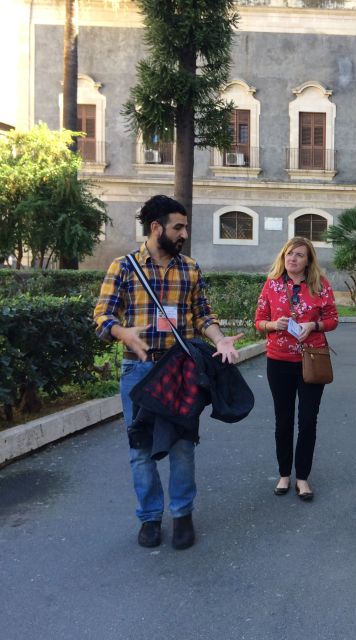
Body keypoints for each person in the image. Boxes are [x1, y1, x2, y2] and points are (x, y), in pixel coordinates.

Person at [94, 194, 242, 550]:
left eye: (186, 227)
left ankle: (182, 514)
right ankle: (149, 517)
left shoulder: (189, 268)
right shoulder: (124, 267)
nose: (184, 233)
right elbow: (102, 316)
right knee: (140, 448)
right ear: (156, 227)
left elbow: (203, 315)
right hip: (139, 369)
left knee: (182, 445)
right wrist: (121, 332)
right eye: (179, 227)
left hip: (178, 370)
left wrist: (220, 339)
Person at [255, 237, 339, 502]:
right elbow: (258, 321)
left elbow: (333, 319)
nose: (293, 258)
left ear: (308, 260)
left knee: (308, 421)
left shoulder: (320, 286)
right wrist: (273, 325)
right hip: (278, 360)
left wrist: (313, 326)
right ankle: (284, 474)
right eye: (289, 253)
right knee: (283, 421)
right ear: (283, 256)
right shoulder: (272, 284)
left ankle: (302, 477)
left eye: (300, 255)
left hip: (311, 359)